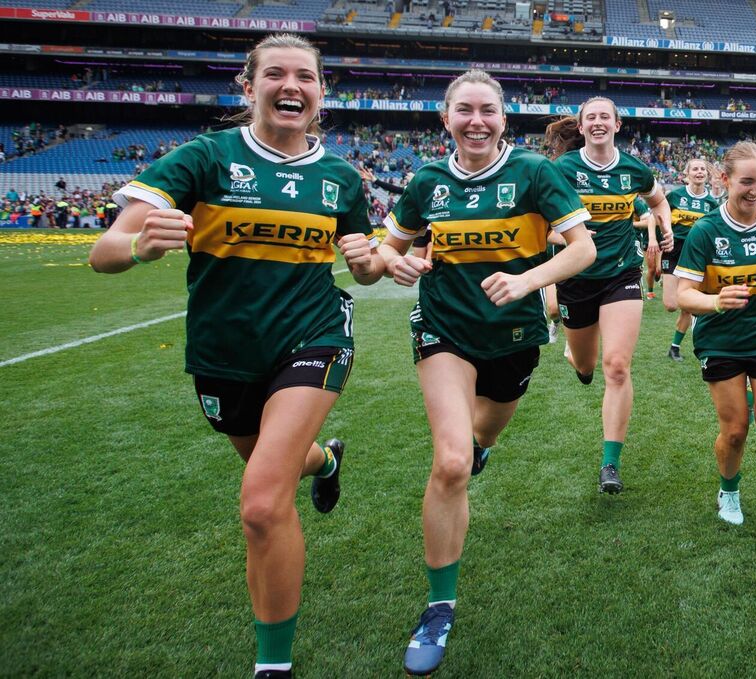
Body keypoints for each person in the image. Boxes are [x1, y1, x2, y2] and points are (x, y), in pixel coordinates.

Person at [87, 33, 383, 678]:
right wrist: (140, 247)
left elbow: (363, 266)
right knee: (272, 466)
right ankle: (326, 458)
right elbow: (104, 252)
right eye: (274, 74)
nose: (291, 86)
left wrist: (370, 262)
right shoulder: (202, 158)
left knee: (259, 503)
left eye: (305, 76)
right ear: (247, 87)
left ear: (321, 92)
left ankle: (272, 664)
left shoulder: (339, 177)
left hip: (314, 337)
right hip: (224, 353)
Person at [379, 69, 595, 676]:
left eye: (488, 111)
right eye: (464, 110)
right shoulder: (427, 182)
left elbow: (583, 249)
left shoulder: (533, 172)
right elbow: (384, 252)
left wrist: (528, 280)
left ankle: (481, 446)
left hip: (516, 337)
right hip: (443, 330)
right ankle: (439, 605)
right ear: (445, 118)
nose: (477, 121)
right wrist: (387, 263)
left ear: (505, 118)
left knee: (483, 437)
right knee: (450, 462)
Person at [545, 97, 673, 494]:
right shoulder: (561, 170)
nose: (598, 122)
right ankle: (578, 360)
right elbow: (539, 227)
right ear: (581, 127)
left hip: (621, 274)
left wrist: (665, 227)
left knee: (616, 365)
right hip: (576, 277)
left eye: (605, 116)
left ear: (618, 124)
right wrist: (567, 239)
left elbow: (658, 200)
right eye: (591, 118)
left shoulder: (634, 168)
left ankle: (610, 463)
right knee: (587, 366)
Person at [674, 142, 756, 525]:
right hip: (721, 341)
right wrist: (715, 301)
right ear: (725, 179)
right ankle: (728, 492)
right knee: (735, 432)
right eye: (747, 181)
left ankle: (752, 395)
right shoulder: (705, 231)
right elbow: (683, 295)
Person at [663, 158, 721, 362]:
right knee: (671, 304)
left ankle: (675, 347)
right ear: (686, 174)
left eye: (702, 169)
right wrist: (658, 237)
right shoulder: (675, 196)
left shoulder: (712, 204)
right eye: (695, 169)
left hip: (696, 256)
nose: (699, 172)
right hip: (673, 251)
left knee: (688, 304)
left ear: (707, 174)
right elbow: (657, 214)